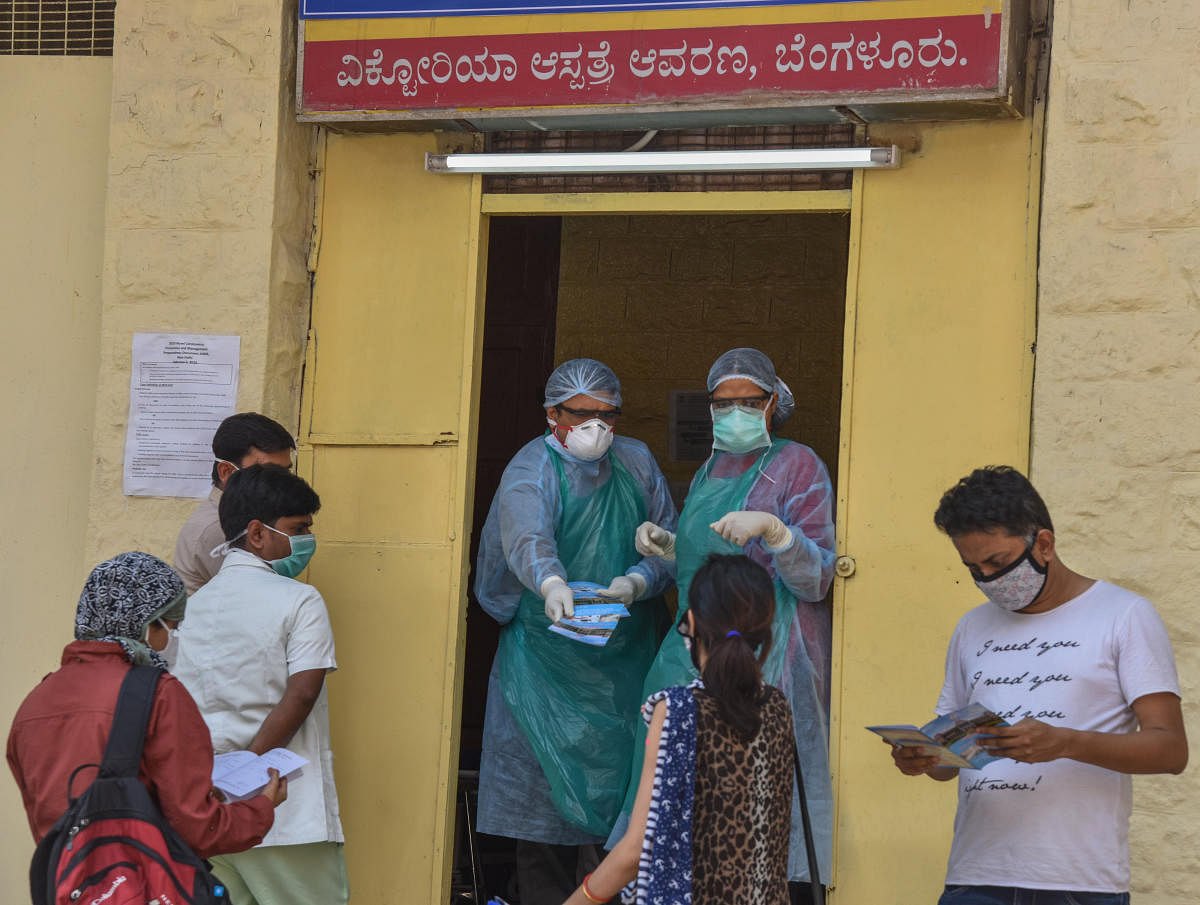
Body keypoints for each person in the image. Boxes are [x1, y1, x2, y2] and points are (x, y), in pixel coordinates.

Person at [889, 466, 1188, 905]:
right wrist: (926, 757)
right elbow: (949, 763)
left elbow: (1170, 750)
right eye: (972, 567)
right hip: (976, 877)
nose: (988, 578)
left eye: (997, 562)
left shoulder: (1124, 615)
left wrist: (1064, 742)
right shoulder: (971, 627)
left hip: (1079, 883)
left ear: (1043, 544)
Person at [625, 347, 836, 895]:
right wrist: (670, 546)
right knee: (672, 809)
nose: (735, 412)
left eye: (749, 401)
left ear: (773, 404)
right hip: (688, 653)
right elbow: (705, 561)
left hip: (768, 652)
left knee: (751, 812)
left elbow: (816, 580)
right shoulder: (709, 469)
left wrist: (776, 531)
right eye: (723, 403)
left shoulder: (798, 465)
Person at [474, 358, 678, 905]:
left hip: (625, 659)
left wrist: (639, 578)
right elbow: (526, 537)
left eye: (607, 414)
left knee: (621, 804)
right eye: (581, 414)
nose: (597, 426)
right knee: (541, 809)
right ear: (552, 414)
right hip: (544, 659)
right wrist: (550, 583)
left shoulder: (634, 460)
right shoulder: (531, 467)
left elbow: (670, 542)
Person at [7, 551, 285, 856]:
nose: (173, 640)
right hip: (141, 882)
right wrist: (261, 808)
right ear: (146, 624)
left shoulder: (34, 703)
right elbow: (197, 830)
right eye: (172, 627)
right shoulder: (158, 693)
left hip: (63, 886)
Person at [563, 554, 794, 905]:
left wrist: (579, 899)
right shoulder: (778, 708)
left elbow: (635, 850)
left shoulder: (678, 710)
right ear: (766, 628)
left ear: (690, 623)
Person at [172, 464, 348, 905]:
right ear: (257, 533)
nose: (307, 540)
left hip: (208, 811)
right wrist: (249, 772)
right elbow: (302, 691)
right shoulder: (300, 599)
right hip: (281, 807)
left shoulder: (192, 608)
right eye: (299, 529)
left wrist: (224, 786)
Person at [173, 411, 296, 594]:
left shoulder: (247, 514)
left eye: (284, 473)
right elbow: (259, 598)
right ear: (227, 472)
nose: (280, 483)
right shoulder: (219, 528)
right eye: (267, 473)